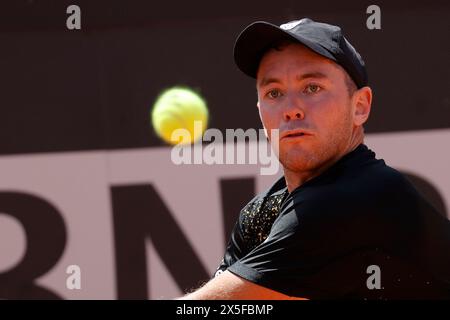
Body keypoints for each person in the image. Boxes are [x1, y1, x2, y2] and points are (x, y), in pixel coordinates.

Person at [179, 18, 450, 299]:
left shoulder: (359, 198)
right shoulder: (260, 214)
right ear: (260, 111)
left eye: (311, 88)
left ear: (360, 107)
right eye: (274, 93)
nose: (291, 109)